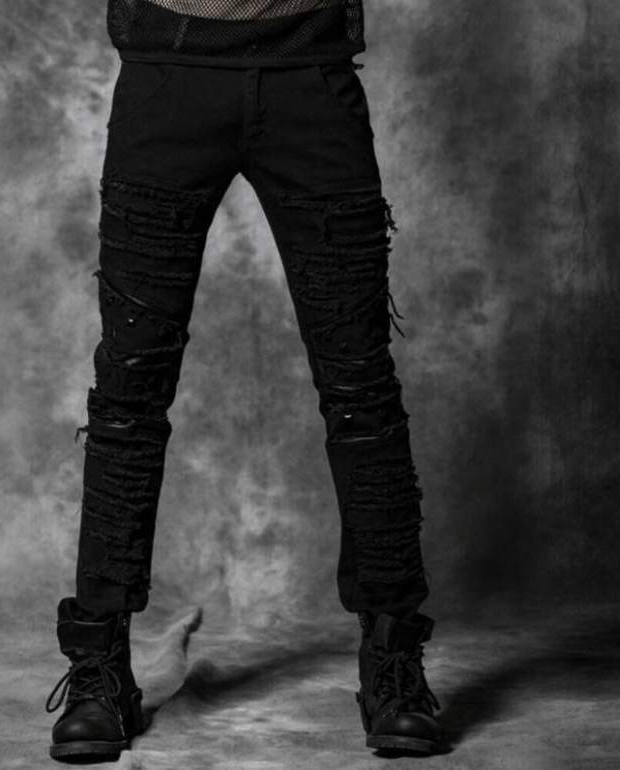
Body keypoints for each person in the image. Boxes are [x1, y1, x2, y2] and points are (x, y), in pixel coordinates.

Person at [44, 0, 443, 761]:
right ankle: (100, 668)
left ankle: (394, 662)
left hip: (309, 72)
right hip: (167, 73)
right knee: (129, 390)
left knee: (360, 387)